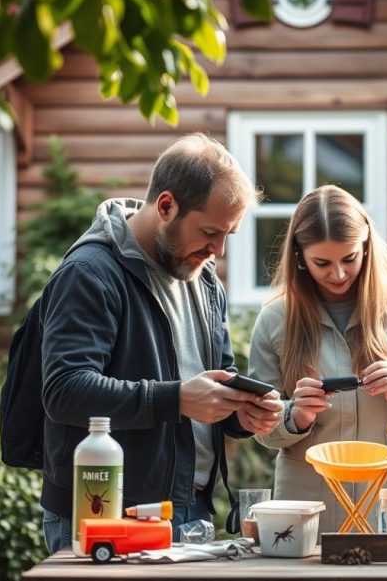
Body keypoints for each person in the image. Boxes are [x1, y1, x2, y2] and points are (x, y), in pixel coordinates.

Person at [38, 133, 284, 554]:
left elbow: (213, 390)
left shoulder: (205, 282)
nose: (219, 251)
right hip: (105, 515)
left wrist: (244, 414)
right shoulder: (90, 273)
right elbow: (64, 390)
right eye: (210, 231)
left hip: (189, 516)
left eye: (228, 235)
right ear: (166, 206)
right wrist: (177, 400)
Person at [249, 185, 387, 533]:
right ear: (299, 256)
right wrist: (296, 416)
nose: (338, 274)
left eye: (350, 259)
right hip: (306, 502)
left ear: (367, 246)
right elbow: (259, 426)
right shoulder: (273, 319)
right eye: (322, 263)